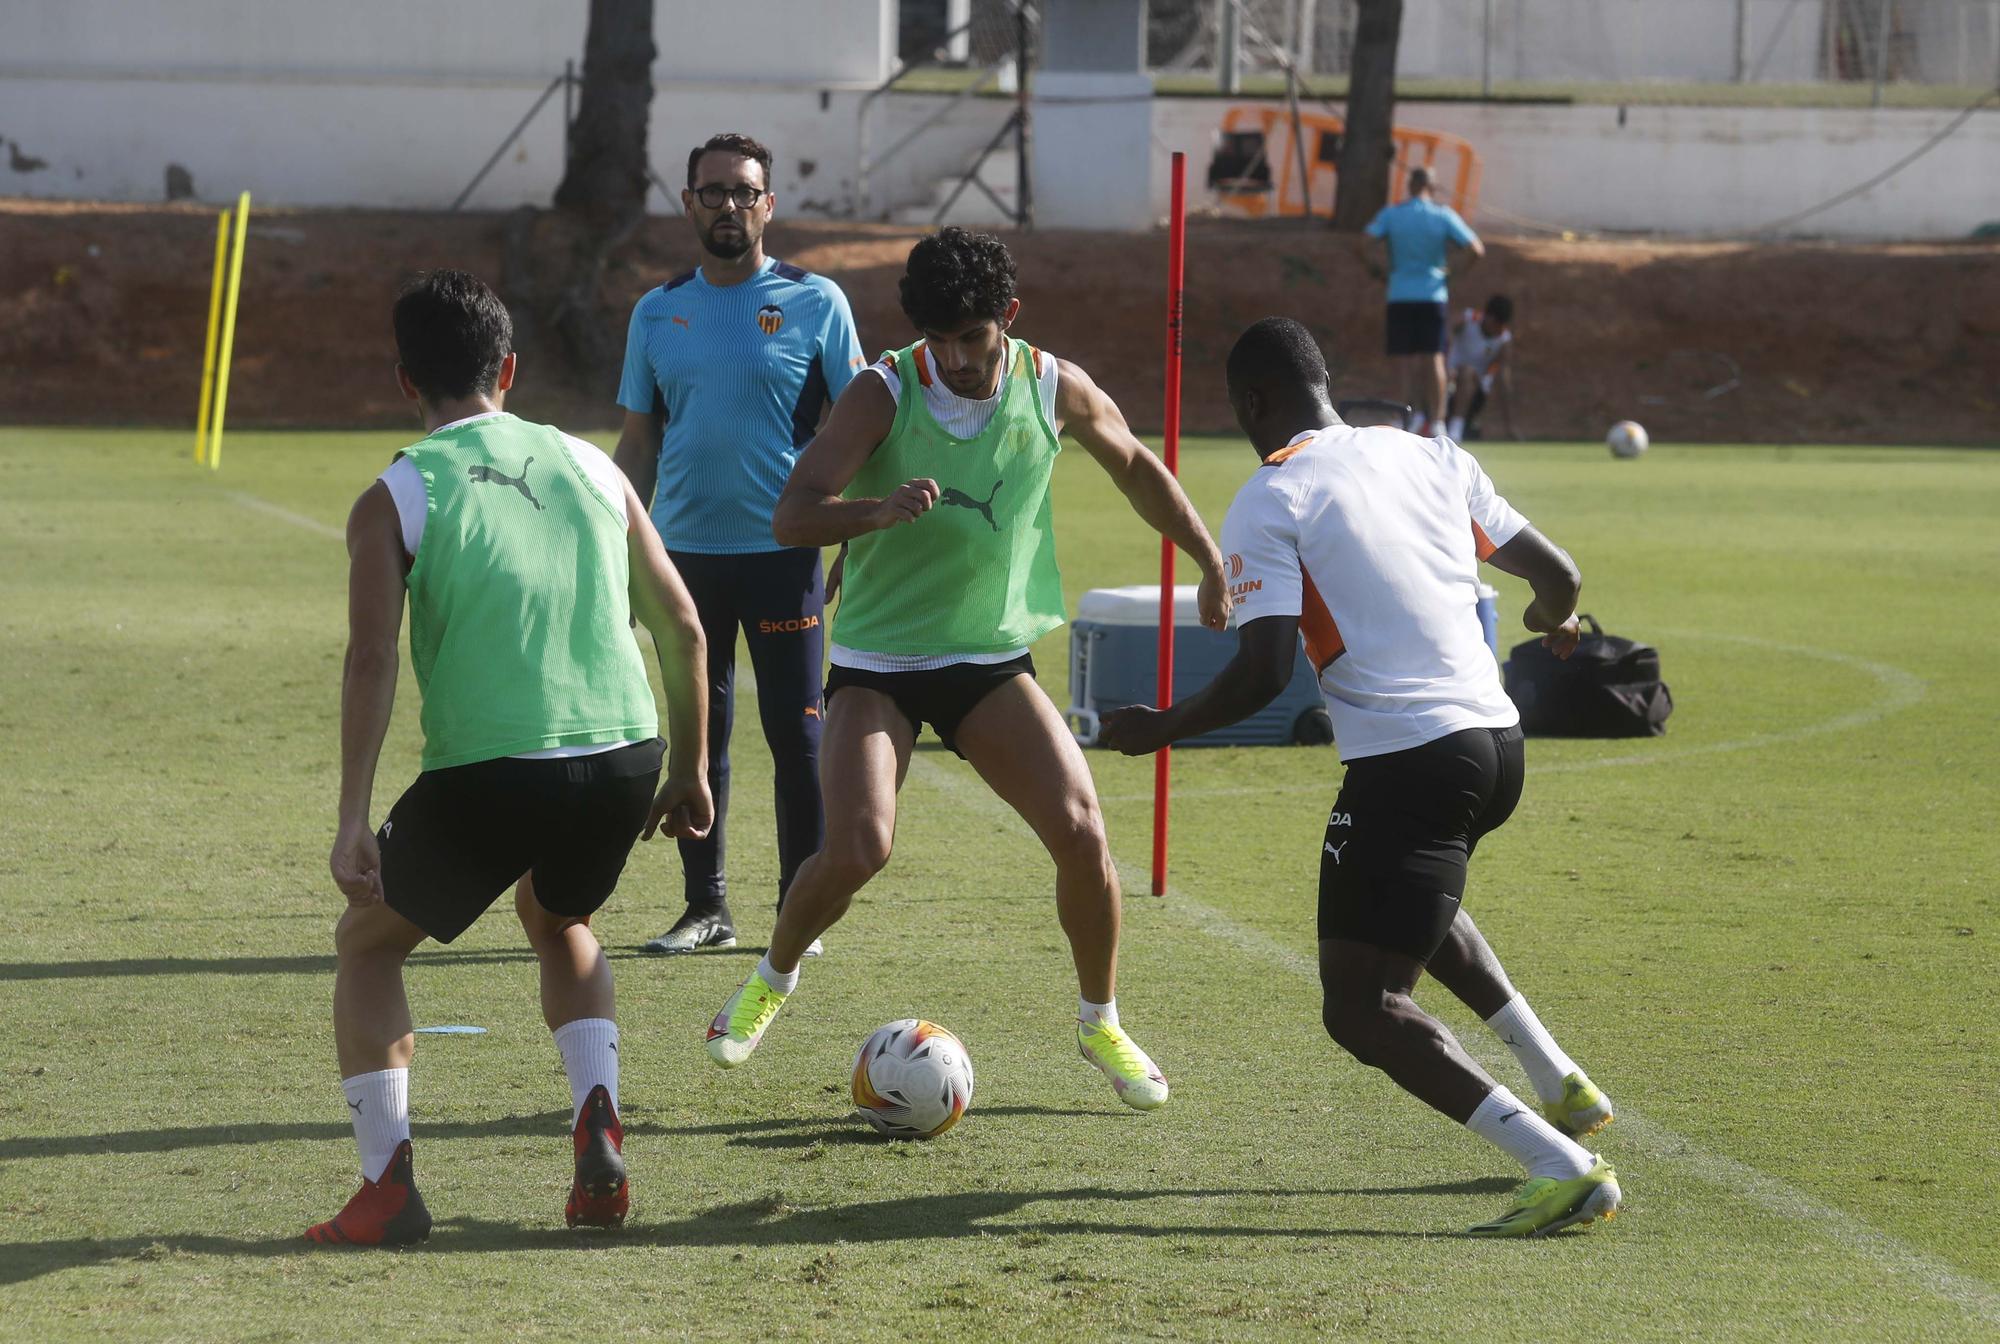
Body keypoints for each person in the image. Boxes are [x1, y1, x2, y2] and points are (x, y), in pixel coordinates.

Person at [1099, 318, 1620, 1237]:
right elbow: (1561, 576)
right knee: (1413, 901)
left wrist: (1163, 729)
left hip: (1412, 760)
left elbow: (1264, 672)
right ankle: (1558, 1079)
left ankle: (1560, 1163)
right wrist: (1551, 615)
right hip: (1498, 748)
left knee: (1361, 1004)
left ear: (1251, 404)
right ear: (1324, 382)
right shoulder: (1430, 454)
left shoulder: (1272, 497)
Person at [701, 227, 1231, 1111]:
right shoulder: (883, 391)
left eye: (972, 340)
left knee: (1083, 832)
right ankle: (770, 980)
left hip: (987, 659)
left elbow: (1136, 466)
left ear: (1007, 322)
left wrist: (1211, 560)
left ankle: (1100, 1020)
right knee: (861, 846)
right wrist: (872, 513)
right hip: (877, 664)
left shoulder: (1051, 384)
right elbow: (794, 516)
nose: (953, 359)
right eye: (938, 341)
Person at [313, 270, 713, 1245]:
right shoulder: (593, 465)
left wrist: (351, 817)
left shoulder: (396, 491)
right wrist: (690, 768)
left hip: (495, 764)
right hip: (624, 750)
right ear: (510, 369)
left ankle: (387, 1189)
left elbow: (369, 660)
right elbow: (684, 628)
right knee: (558, 913)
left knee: (367, 945)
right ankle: (597, 1128)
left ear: (405, 379)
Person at [614, 132, 864, 956]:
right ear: (688, 203)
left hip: (783, 557)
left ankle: (803, 906)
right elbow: (639, 445)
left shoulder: (817, 302)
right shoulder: (657, 311)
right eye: (712, 190)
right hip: (682, 559)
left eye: (743, 191)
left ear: (769, 204)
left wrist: (848, 533)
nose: (729, 205)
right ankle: (706, 909)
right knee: (700, 735)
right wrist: (617, 544)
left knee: (799, 739)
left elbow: (862, 431)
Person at [1360, 166, 1484, 436]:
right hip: (1433, 294)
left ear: (1410, 185)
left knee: (1402, 362)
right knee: (1434, 359)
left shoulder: (1393, 214)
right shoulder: (1442, 215)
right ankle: (1438, 422)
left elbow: (1365, 242)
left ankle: (1399, 420)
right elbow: (1476, 249)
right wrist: (1453, 274)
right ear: (1433, 187)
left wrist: (1378, 271)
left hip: (1400, 293)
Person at [1446, 294, 1516, 442]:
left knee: (1467, 371)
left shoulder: (1503, 339)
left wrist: (1509, 426)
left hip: (1474, 391)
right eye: (1498, 325)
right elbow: (1447, 330)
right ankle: (1420, 417)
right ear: (1489, 318)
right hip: (1448, 383)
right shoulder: (1469, 319)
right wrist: (1448, 363)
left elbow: (1503, 377)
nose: (1500, 330)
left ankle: (1456, 427)